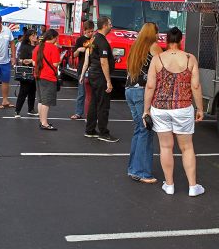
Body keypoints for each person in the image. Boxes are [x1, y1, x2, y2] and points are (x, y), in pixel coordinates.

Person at [143, 26, 205, 197]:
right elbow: (195, 86)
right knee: (187, 148)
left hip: (160, 108)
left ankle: (169, 185)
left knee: (165, 147)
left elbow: (150, 86)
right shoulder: (190, 58)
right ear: (180, 41)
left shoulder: (157, 59)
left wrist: (146, 110)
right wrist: (200, 108)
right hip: (183, 108)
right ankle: (193, 187)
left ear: (166, 40)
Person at [125, 22, 163, 184]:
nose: (158, 35)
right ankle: (140, 171)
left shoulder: (135, 47)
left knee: (139, 129)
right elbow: (164, 67)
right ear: (152, 33)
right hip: (143, 92)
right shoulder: (154, 47)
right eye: (157, 32)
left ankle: (133, 168)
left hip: (129, 90)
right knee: (146, 131)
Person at [84, 16, 119, 143]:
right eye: (110, 24)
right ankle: (103, 132)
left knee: (94, 102)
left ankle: (90, 130)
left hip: (93, 74)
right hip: (100, 76)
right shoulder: (102, 41)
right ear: (104, 25)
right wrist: (108, 81)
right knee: (103, 105)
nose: (111, 26)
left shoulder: (94, 39)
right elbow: (103, 62)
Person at [32, 29, 60, 130]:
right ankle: (44, 123)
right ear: (53, 38)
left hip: (38, 75)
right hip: (49, 77)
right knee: (46, 102)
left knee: (40, 100)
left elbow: (34, 63)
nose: (57, 39)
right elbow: (55, 64)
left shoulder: (38, 47)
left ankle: (41, 120)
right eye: (57, 37)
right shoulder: (53, 48)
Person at [70, 20, 95, 120]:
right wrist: (79, 49)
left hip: (93, 69)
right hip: (82, 69)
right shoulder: (80, 40)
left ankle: (90, 113)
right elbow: (74, 55)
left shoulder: (95, 39)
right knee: (82, 93)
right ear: (84, 31)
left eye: (92, 31)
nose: (90, 33)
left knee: (92, 94)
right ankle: (78, 112)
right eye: (89, 31)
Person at [15, 29, 38, 118]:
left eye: (36, 35)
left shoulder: (37, 46)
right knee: (23, 92)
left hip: (35, 71)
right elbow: (22, 60)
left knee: (33, 91)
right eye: (33, 35)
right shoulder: (25, 47)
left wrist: (31, 60)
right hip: (27, 71)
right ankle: (17, 110)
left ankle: (31, 109)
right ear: (29, 37)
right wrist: (30, 61)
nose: (35, 36)